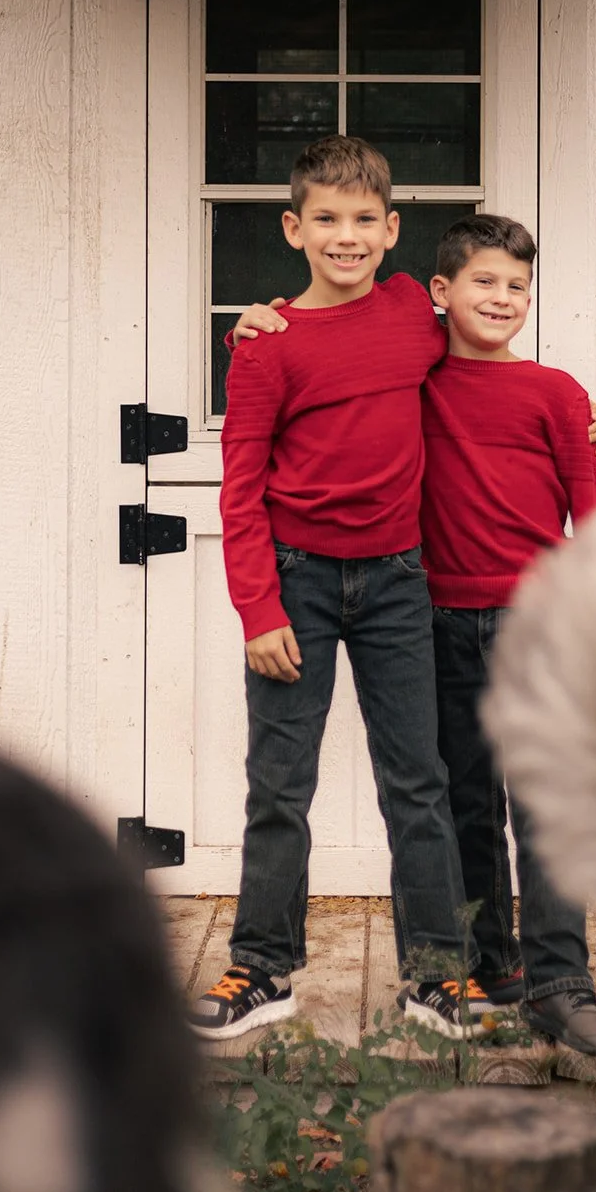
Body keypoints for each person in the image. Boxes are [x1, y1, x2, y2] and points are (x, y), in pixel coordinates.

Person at [189, 135, 494, 1043]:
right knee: (280, 785)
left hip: (400, 580)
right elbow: (240, 488)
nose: (347, 236)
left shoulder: (410, 312)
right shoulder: (266, 348)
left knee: (419, 783)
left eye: (365, 219)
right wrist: (258, 610)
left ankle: (437, 974)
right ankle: (262, 967)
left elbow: (484, 349)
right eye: (326, 219)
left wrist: (574, 412)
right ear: (295, 230)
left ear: (393, 230)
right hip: (298, 584)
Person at [421, 213, 596, 1053]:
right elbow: (347, 326)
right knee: (465, 802)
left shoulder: (556, 393)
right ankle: (491, 963)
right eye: (485, 282)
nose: (504, 298)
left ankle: (560, 981)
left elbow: (592, 508)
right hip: (436, 621)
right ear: (441, 291)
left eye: (519, 287)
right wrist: (260, 318)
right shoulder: (413, 382)